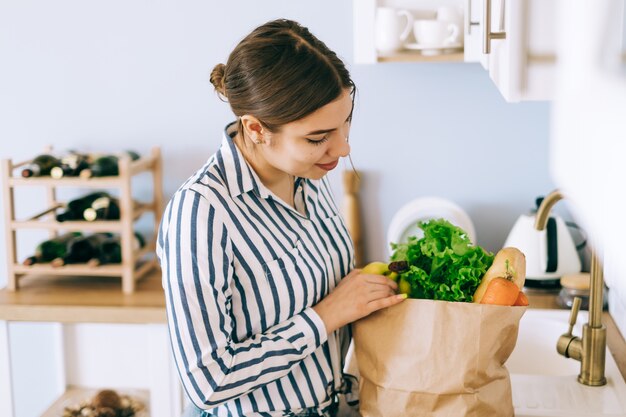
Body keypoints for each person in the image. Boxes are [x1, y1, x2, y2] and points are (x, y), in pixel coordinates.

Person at [156, 19, 406, 417]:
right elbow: (208, 381)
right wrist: (327, 315)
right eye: (318, 136)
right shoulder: (201, 213)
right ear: (256, 128)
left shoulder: (307, 174)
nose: (342, 148)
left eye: (346, 124)